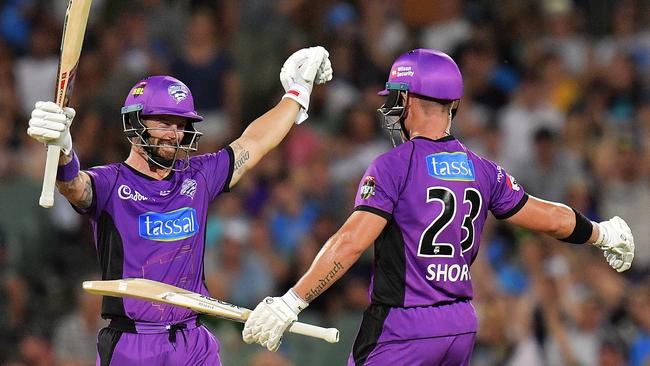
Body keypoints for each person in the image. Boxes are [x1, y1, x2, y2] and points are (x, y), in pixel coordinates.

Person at [241, 49, 636, 365]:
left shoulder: (394, 165)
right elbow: (550, 219)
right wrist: (603, 233)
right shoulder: (484, 170)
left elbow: (349, 243)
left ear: (408, 98)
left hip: (402, 326)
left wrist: (292, 301)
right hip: (460, 326)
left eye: (396, 97)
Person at [26, 46, 332, 365]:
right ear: (135, 122)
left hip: (193, 340)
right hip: (135, 344)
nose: (174, 133)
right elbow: (74, 187)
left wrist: (296, 94)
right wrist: (63, 151)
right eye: (164, 122)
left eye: (180, 124)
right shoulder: (111, 182)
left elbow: (254, 143)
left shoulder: (197, 177)